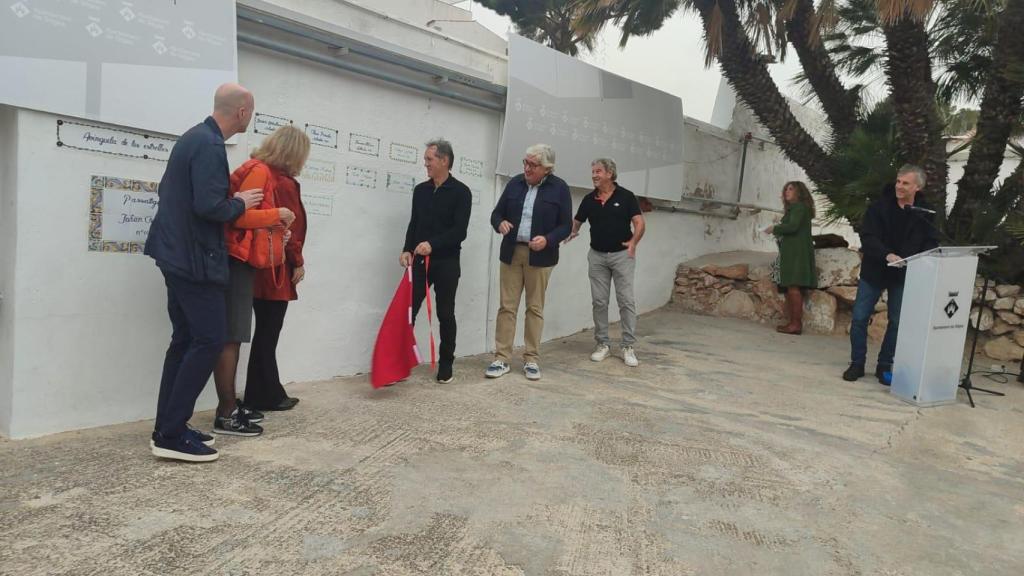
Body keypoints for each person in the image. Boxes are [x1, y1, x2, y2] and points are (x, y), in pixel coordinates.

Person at [144, 83, 263, 462]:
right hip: (194, 261)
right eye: (251, 112)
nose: (250, 117)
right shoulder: (210, 145)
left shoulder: (192, 138)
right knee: (210, 339)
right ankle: (171, 434)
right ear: (242, 112)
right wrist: (240, 203)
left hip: (175, 255)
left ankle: (167, 426)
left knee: (184, 340)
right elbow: (210, 207)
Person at [211, 126, 307, 435]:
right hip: (250, 262)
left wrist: (278, 227)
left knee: (241, 335)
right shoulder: (266, 174)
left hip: (251, 260)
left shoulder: (261, 171)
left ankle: (237, 404)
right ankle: (229, 411)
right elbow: (240, 217)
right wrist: (280, 219)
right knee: (240, 335)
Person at [843, 165, 938, 384]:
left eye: (905, 183)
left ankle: (884, 365)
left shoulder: (925, 212)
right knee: (859, 317)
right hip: (875, 270)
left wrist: (916, 259)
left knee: (897, 321)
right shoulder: (878, 207)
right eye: (898, 181)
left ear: (917, 187)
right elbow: (868, 237)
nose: (899, 186)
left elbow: (930, 241)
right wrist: (886, 254)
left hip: (904, 273)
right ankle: (857, 363)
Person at [486, 144, 572, 381]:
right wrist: (500, 223)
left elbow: (566, 226)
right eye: (525, 162)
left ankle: (531, 359)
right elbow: (496, 214)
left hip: (541, 257)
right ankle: (502, 358)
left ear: (547, 168)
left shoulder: (560, 188)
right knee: (507, 307)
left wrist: (548, 239)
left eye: (533, 165)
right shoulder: (515, 183)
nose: (527, 168)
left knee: (534, 308)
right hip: (512, 253)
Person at [243, 127, 312, 411]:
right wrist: (298, 261)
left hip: (257, 262)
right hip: (277, 265)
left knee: (264, 330)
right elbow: (289, 227)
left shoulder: (263, 174)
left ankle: (263, 391)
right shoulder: (284, 183)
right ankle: (267, 394)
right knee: (269, 331)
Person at [399, 139, 472, 383]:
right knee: (408, 311)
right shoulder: (421, 190)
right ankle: (399, 363)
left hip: (446, 262)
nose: (426, 164)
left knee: (445, 313)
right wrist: (407, 249)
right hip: (419, 262)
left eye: (429, 159)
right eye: (426, 159)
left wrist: (433, 244)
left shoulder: (461, 192)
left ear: (444, 160)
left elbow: (459, 231)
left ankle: (446, 363)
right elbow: (414, 222)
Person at [567, 158, 645, 367]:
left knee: (626, 300)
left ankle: (628, 346)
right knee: (599, 301)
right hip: (597, 256)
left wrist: (633, 242)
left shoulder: (626, 196)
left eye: (598, 171)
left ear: (609, 174)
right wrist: (571, 232)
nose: (594, 175)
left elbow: (639, 223)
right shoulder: (589, 199)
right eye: (593, 171)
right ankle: (602, 344)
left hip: (622, 256)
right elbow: (577, 221)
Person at [766, 181, 817, 335]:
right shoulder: (796, 208)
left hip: (796, 253)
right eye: (786, 189)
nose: (786, 192)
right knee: (790, 286)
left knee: (793, 287)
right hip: (793, 252)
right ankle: (793, 323)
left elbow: (793, 226)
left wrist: (775, 228)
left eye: (791, 189)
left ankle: (795, 324)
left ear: (799, 192)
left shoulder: (799, 207)